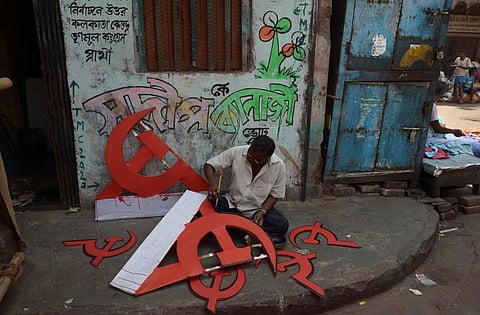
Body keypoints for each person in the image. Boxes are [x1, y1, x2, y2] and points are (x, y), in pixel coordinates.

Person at [204, 135, 289, 248]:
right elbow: (209, 165)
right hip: (232, 204)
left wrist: (263, 211)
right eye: (249, 155)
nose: (251, 160)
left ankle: (238, 228)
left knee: (281, 225)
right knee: (207, 206)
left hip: (256, 210)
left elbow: (275, 195)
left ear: (267, 158)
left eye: (257, 160)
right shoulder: (238, 152)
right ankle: (252, 232)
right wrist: (212, 183)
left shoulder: (279, 166)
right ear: (250, 147)